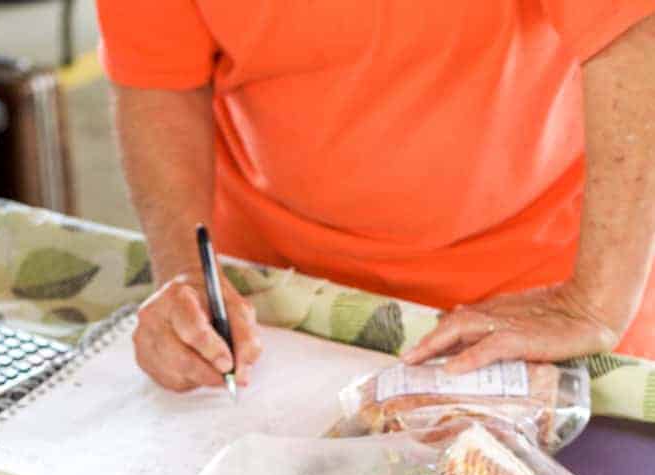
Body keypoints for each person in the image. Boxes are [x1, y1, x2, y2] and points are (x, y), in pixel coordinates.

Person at [97, 3, 655, 391]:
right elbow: (159, 77)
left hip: (537, 290)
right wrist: (188, 277)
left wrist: (595, 300)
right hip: (277, 302)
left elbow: (635, 35)